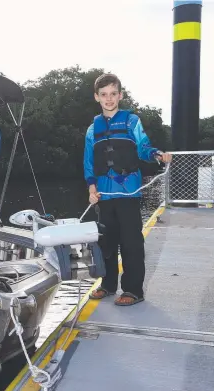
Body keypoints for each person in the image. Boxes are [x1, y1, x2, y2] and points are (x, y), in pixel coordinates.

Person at [83, 73, 172, 306]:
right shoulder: (93, 129)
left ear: (120, 95)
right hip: (103, 194)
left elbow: (143, 147)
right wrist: (92, 188)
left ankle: (133, 290)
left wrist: (157, 155)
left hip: (129, 193)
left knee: (131, 242)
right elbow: (89, 163)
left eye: (113, 94)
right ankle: (108, 285)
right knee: (106, 243)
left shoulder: (132, 121)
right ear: (97, 97)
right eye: (104, 95)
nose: (109, 99)